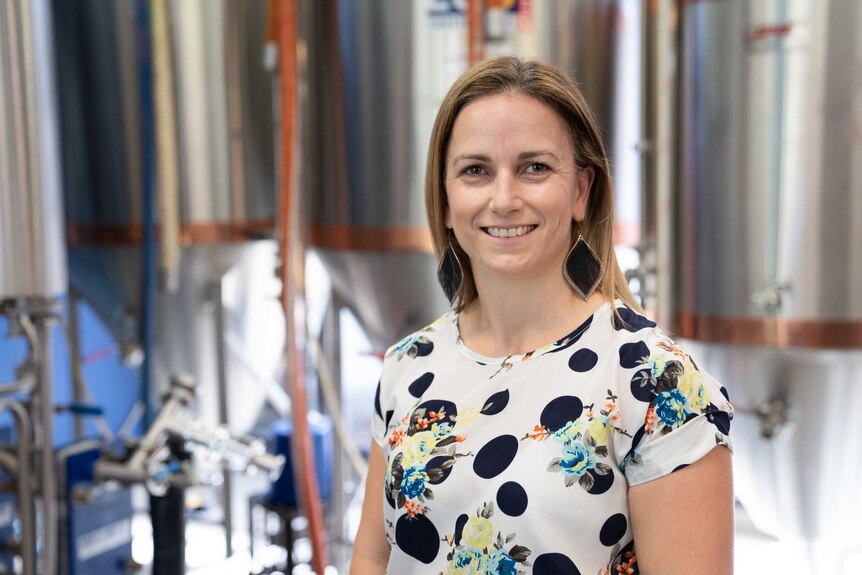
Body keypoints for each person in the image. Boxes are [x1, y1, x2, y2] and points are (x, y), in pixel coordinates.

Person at [351, 56, 733, 575]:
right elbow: (374, 556)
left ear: (580, 191)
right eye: (475, 170)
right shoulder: (409, 367)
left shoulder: (655, 383)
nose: (503, 198)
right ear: (445, 199)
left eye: (534, 168)